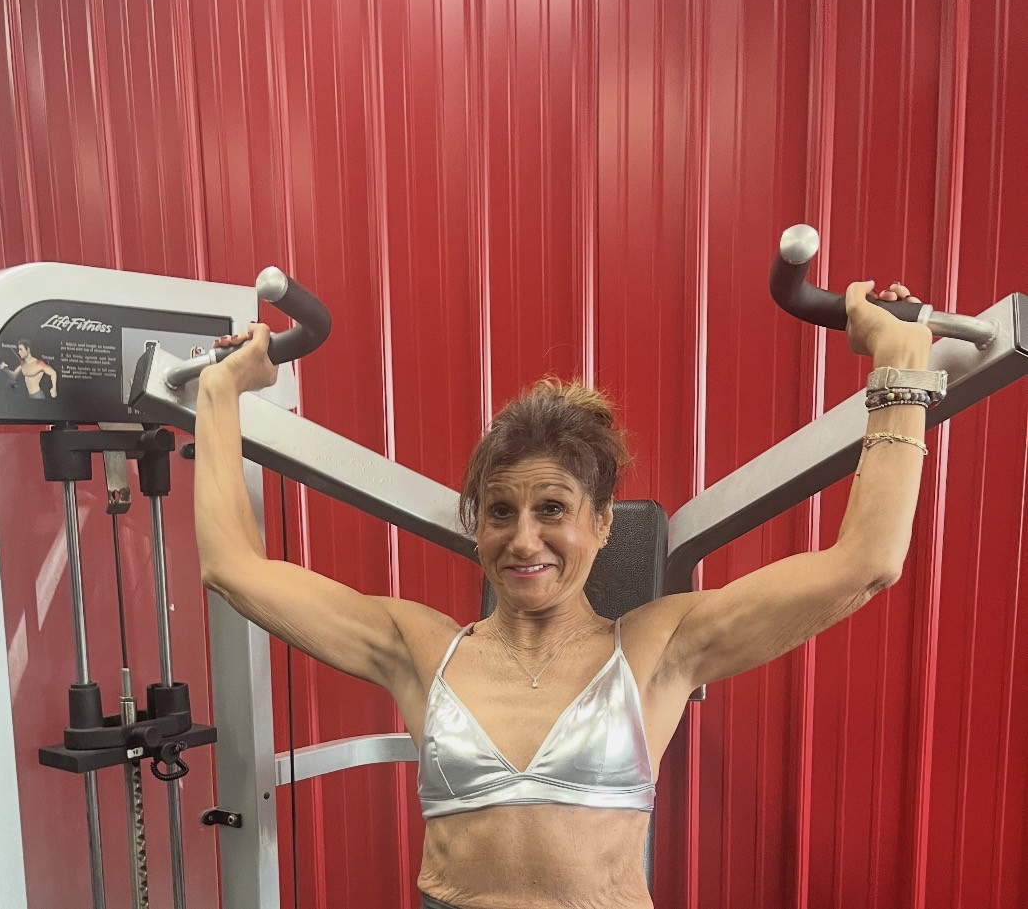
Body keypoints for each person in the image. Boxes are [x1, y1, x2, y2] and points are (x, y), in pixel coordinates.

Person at [194, 280, 933, 909]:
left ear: (602, 522)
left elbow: (866, 563)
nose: (524, 540)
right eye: (500, 511)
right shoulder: (420, 648)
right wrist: (220, 395)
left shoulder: (658, 647)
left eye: (552, 508)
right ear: (477, 526)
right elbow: (231, 567)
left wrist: (898, 365)